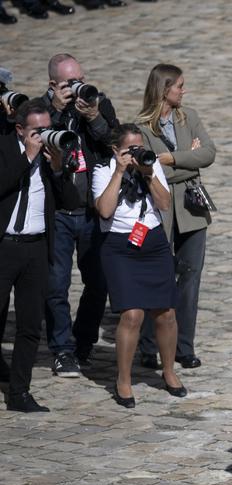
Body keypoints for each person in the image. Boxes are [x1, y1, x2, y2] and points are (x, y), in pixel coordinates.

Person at [93, 123, 184, 408]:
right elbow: (105, 210)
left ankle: (168, 371)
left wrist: (148, 175)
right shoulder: (103, 169)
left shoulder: (150, 164)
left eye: (139, 147)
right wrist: (120, 172)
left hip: (153, 242)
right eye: (130, 149)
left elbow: (165, 203)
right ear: (115, 150)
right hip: (119, 247)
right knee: (132, 314)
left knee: (166, 312)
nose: (136, 153)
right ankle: (123, 379)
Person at [136, 63, 216, 371]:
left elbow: (207, 154)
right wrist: (187, 161)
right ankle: (148, 345)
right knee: (157, 277)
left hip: (192, 207)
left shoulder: (189, 117)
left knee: (190, 279)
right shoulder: (142, 127)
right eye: (179, 86)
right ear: (163, 89)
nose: (184, 91)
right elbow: (149, 170)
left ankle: (184, 346)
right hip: (161, 208)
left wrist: (171, 159)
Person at [1, 98, 80, 411]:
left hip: (35, 249)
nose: (44, 136)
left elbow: (71, 202)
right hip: (4, 246)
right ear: (20, 130)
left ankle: (19, 392)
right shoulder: (5, 149)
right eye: (37, 131)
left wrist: (59, 170)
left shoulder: (51, 158)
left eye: (48, 129)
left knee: (31, 326)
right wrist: (27, 158)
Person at [43, 53, 119, 378]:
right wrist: (57, 112)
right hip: (57, 210)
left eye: (80, 80)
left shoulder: (98, 104)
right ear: (52, 85)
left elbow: (113, 142)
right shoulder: (39, 110)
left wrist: (93, 117)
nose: (77, 88)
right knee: (56, 286)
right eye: (69, 83)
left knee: (98, 283)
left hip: (90, 210)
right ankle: (62, 351)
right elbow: (33, 143)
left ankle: (83, 344)